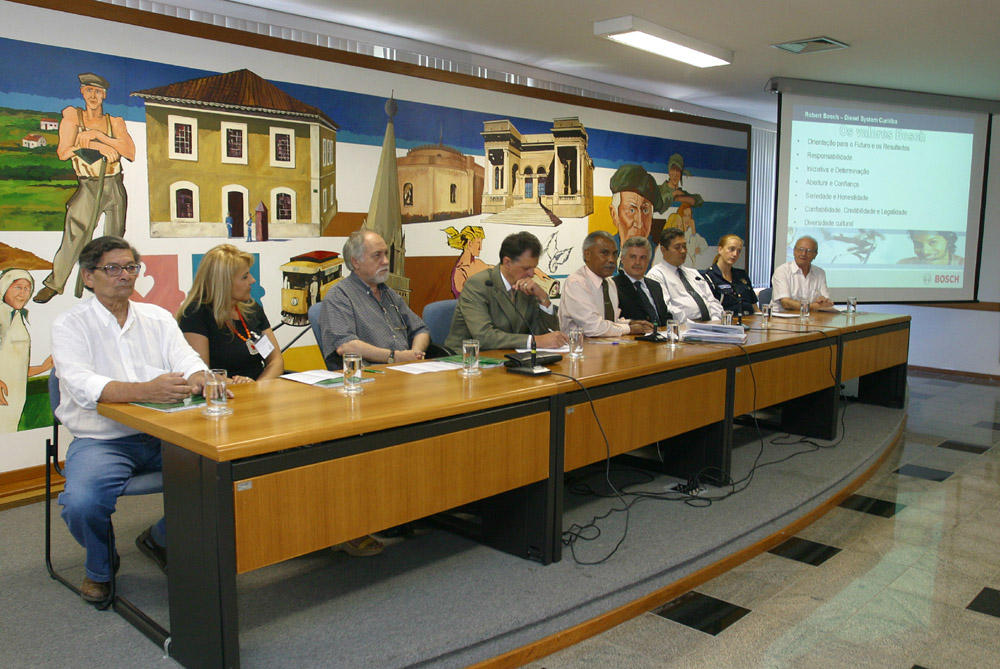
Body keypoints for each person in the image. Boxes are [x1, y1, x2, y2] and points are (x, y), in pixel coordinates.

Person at [51, 236, 210, 603]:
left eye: (130, 267)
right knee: (81, 502)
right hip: (103, 441)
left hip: (164, 434)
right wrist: (145, 390)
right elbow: (79, 384)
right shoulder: (70, 325)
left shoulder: (156, 317)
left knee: (223, 472)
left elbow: (186, 359)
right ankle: (101, 567)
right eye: (112, 268)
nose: (124, 275)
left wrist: (200, 376)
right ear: (89, 277)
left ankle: (160, 538)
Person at [34, 73, 136, 304]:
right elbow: (63, 152)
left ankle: (110, 288)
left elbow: (129, 151)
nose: (93, 96)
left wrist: (100, 137)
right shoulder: (72, 117)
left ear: (104, 95)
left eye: (98, 92)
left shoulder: (114, 122)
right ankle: (55, 283)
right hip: (88, 184)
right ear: (82, 92)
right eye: (89, 90)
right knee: (75, 233)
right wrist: (91, 149)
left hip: (113, 183)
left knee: (114, 239)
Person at [318, 229, 431, 371]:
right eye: (377, 255)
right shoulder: (339, 296)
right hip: (372, 375)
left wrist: (415, 354)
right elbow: (346, 346)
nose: (385, 261)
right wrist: (395, 357)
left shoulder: (389, 293)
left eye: (385, 254)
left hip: (406, 370)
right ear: (356, 262)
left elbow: (421, 329)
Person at [177, 244, 283, 384]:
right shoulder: (195, 315)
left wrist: (258, 387)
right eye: (245, 277)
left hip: (258, 392)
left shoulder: (252, 309)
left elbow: (276, 361)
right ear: (223, 283)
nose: (252, 280)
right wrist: (236, 385)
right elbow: (200, 373)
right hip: (223, 395)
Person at [446, 231, 567, 351]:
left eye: (534, 268)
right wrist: (535, 341)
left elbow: (547, 336)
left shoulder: (526, 286)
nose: (531, 274)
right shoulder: (478, 285)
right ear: (507, 262)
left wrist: (543, 298)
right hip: (468, 360)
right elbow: (484, 337)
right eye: (526, 268)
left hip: (510, 358)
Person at [559, 231, 653, 337]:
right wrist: (629, 329)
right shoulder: (576, 283)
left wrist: (630, 323)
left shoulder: (609, 283)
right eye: (605, 253)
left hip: (606, 348)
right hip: (580, 350)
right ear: (587, 255)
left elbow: (608, 321)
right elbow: (593, 327)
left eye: (614, 254)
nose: (612, 260)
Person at [0, 269, 53, 432]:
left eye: (26, 289)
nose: (22, 294)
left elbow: (15, 369)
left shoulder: (18, 317)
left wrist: (43, 367)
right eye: (17, 287)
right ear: (4, 287)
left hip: (15, 398)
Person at [647, 227, 724, 323]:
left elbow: (711, 300)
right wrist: (692, 325)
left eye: (684, 246)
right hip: (683, 327)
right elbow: (667, 308)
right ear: (663, 250)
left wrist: (715, 320)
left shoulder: (693, 273)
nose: (683, 251)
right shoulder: (656, 275)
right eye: (677, 247)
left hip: (709, 324)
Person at [612, 236, 672, 326]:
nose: (637, 262)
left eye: (643, 258)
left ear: (648, 261)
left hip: (661, 336)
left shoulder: (655, 286)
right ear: (623, 259)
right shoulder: (613, 286)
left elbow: (664, 316)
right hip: (633, 337)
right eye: (633, 257)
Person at [771, 235, 835, 312]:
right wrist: (813, 306)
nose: (803, 254)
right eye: (800, 249)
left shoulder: (820, 273)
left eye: (808, 251)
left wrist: (823, 300)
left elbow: (826, 302)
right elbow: (786, 303)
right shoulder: (782, 271)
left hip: (810, 319)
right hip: (781, 318)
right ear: (794, 251)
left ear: (815, 255)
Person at [608, 164, 662, 253]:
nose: (639, 223)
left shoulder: (657, 258)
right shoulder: (604, 256)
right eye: (631, 210)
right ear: (614, 215)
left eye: (645, 210)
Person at [701, 234, 758, 316]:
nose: (735, 254)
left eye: (739, 251)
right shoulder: (708, 277)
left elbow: (755, 307)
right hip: (725, 322)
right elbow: (709, 311)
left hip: (750, 320)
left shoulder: (742, 275)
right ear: (720, 249)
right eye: (731, 249)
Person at [444, 225, 490, 296]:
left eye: (481, 243)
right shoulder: (460, 271)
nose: (480, 248)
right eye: (478, 243)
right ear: (470, 244)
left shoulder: (479, 263)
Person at [897, 230, 964, 265]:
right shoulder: (903, 264)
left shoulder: (965, 265)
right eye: (918, 244)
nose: (925, 251)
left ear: (949, 240)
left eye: (933, 242)